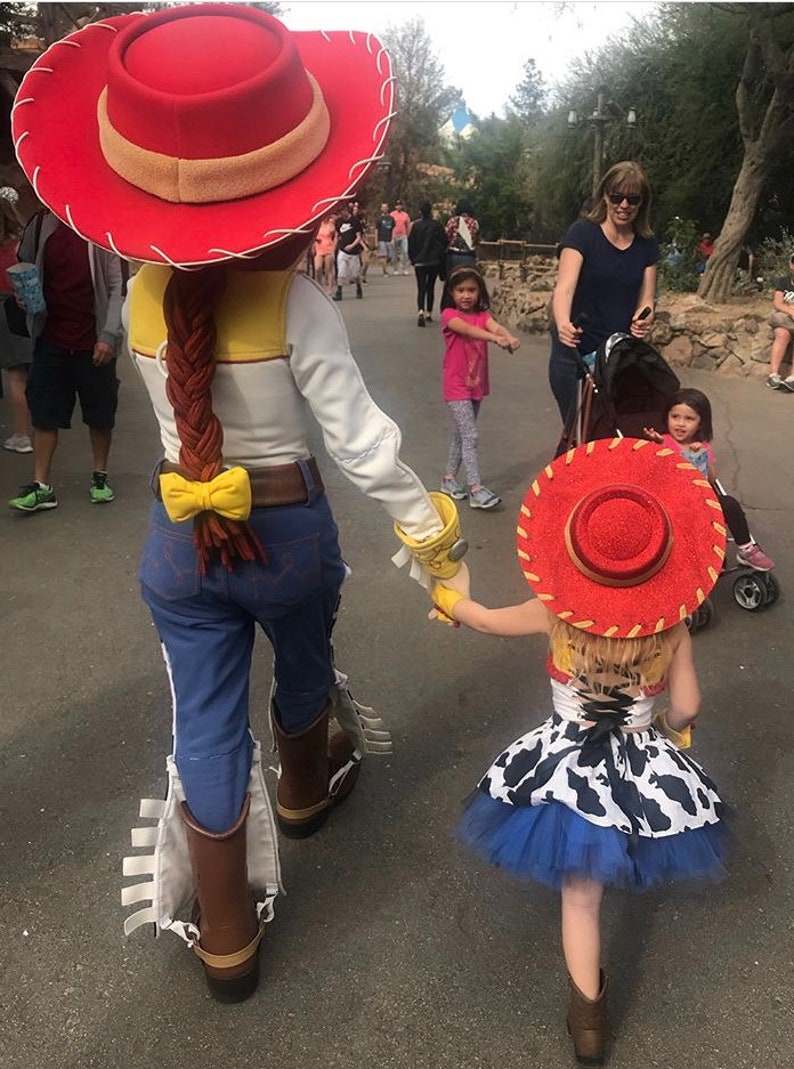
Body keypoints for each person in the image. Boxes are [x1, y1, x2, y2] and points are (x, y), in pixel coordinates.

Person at [12, 3, 470, 1003]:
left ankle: (226, 937)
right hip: (288, 531)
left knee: (204, 723)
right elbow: (359, 442)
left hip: (183, 536)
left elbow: (185, 396)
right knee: (302, 657)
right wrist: (430, 531)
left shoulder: (139, 297)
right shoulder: (295, 304)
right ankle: (304, 788)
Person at [431, 436, 729, 1067]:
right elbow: (689, 706)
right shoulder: (670, 629)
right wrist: (672, 730)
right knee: (633, 827)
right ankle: (590, 1017)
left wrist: (445, 597)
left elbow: (483, 618)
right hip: (639, 754)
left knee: (580, 895)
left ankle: (588, 1019)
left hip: (566, 764)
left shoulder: (554, 614)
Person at [8, 208, 123, 512]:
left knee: (99, 414)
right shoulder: (43, 223)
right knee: (45, 414)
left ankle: (100, 476)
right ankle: (42, 486)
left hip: (94, 342)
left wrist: (109, 335)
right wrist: (24, 295)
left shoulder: (100, 228)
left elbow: (116, 289)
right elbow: (26, 264)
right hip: (51, 339)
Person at [550, 160, 658, 425]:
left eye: (632, 199)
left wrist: (644, 319)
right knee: (574, 426)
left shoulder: (647, 245)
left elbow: (647, 299)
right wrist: (563, 323)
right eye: (617, 196)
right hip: (574, 343)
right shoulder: (582, 234)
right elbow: (564, 288)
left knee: (606, 427)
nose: (624, 205)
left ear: (642, 202)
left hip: (615, 351)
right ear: (605, 196)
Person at [644, 387, 775, 571]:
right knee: (693, 521)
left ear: (700, 423)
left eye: (689, 419)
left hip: (700, 497)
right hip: (672, 502)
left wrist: (701, 456)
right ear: (667, 418)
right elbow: (652, 474)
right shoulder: (662, 442)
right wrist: (657, 446)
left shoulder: (702, 445)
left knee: (729, 504)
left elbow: (712, 478)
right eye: (675, 417)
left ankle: (746, 549)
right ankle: (710, 556)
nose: (681, 424)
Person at [439, 266, 520, 510]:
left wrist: (508, 336)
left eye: (471, 290)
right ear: (451, 293)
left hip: (476, 385)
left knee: (461, 434)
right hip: (456, 386)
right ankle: (475, 488)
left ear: (479, 292)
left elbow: (494, 326)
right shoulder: (448, 315)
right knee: (470, 435)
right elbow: (468, 330)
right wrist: (496, 339)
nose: (466, 295)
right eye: (461, 290)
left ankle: (449, 479)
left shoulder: (483, 316)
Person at [0, 187, 33, 454]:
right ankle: (24, 431)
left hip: (5, 306)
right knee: (19, 375)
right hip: (16, 307)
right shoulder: (20, 246)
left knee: (15, 378)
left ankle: (22, 435)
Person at [407, 200, 447, 326]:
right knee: (431, 287)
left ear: (420, 211)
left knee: (421, 288)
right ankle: (429, 312)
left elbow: (411, 244)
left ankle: (420, 311)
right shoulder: (437, 225)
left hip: (419, 261)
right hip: (433, 261)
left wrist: (412, 259)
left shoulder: (416, 226)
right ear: (431, 211)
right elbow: (445, 241)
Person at [765, 253, 794, 390]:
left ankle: (792, 378)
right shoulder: (783, 281)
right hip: (785, 319)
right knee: (782, 334)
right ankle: (773, 375)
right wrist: (790, 311)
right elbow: (778, 303)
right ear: (791, 265)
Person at [333, 202, 365, 300]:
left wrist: (352, 246)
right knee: (341, 272)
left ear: (346, 210)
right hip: (342, 250)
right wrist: (334, 249)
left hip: (353, 252)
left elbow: (359, 237)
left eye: (343, 211)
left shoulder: (355, 221)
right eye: (340, 212)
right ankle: (339, 292)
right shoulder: (338, 222)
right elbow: (337, 236)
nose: (342, 214)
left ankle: (358, 287)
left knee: (355, 274)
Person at [444, 197, 479, 279]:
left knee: (452, 280)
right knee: (467, 279)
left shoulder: (452, 221)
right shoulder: (474, 222)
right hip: (469, 255)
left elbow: (446, 236)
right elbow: (476, 239)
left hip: (454, 254)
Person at [313, 212, 337, 296]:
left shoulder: (331, 224)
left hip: (328, 248)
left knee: (328, 270)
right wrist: (315, 240)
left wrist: (334, 249)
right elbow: (313, 236)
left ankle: (330, 288)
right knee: (318, 268)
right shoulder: (318, 225)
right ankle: (318, 286)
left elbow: (335, 236)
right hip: (319, 248)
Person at [389, 199, 411, 274]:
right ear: (395, 206)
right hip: (394, 235)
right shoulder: (392, 214)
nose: (399, 206)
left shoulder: (405, 215)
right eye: (397, 205)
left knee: (405, 251)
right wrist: (391, 237)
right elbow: (390, 226)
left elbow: (408, 225)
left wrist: (408, 235)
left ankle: (405, 268)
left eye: (400, 205)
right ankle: (395, 268)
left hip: (403, 235)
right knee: (394, 253)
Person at [376, 201, 396, 275]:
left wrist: (393, 238)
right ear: (381, 209)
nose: (384, 209)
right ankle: (384, 270)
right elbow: (376, 230)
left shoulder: (391, 218)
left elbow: (393, 229)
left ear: (388, 208)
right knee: (383, 255)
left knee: (390, 256)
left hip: (389, 238)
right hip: (381, 239)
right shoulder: (379, 219)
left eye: (385, 207)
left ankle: (386, 265)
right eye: (383, 207)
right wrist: (376, 240)